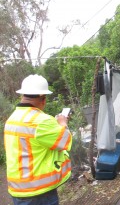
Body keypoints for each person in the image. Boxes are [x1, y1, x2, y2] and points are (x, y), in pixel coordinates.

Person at [4, 74, 72, 205]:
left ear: (23, 95)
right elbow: (65, 141)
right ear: (43, 98)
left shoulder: (12, 119)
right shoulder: (42, 121)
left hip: (17, 190)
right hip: (38, 192)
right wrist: (62, 123)